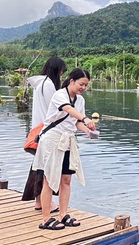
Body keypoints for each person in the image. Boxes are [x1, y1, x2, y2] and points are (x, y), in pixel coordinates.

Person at [33, 68, 96, 230]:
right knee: (49, 179)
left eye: (86, 85)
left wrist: (88, 131)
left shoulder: (80, 100)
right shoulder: (59, 95)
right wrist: (85, 118)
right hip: (53, 139)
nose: (83, 87)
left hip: (68, 140)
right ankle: (46, 218)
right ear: (71, 81)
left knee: (66, 179)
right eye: (81, 84)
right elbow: (68, 110)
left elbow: (76, 122)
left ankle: (63, 214)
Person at [22, 56, 67, 211]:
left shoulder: (40, 84)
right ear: (56, 70)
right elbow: (55, 109)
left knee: (39, 166)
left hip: (38, 128)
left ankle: (39, 201)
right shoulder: (48, 85)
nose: (61, 75)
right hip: (46, 130)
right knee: (46, 168)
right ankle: (45, 202)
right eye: (61, 72)